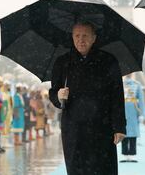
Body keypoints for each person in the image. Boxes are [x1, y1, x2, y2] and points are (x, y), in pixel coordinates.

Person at [49, 21, 126, 175]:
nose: (81, 40)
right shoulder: (63, 62)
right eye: (77, 36)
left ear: (94, 38)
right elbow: (53, 92)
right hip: (73, 128)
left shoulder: (108, 61)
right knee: (76, 169)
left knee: (103, 169)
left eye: (85, 36)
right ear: (72, 37)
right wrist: (58, 95)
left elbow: (117, 96)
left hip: (102, 127)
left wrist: (119, 126)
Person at [120, 74, 144, 163]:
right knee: (123, 132)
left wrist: (141, 113)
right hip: (123, 111)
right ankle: (125, 154)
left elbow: (141, 99)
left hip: (133, 111)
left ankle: (132, 154)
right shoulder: (120, 84)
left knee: (133, 133)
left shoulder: (137, 84)